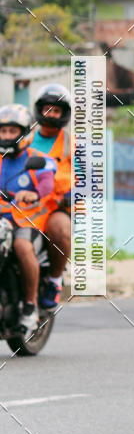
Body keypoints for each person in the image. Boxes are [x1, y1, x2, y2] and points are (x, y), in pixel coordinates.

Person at [0, 104, 57, 331]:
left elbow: (47, 182)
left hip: (27, 220)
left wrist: (34, 193)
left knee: (22, 246)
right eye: (3, 131)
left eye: (12, 131)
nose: (6, 136)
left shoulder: (38, 158)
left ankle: (30, 306)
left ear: (24, 133)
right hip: (2, 220)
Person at [30, 83, 73, 309]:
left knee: (60, 230)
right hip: (23, 204)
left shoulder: (72, 144)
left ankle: (55, 280)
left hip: (56, 207)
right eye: (48, 109)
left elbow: (89, 182)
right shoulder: (23, 139)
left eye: (56, 110)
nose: (51, 114)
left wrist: (70, 196)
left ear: (64, 114)